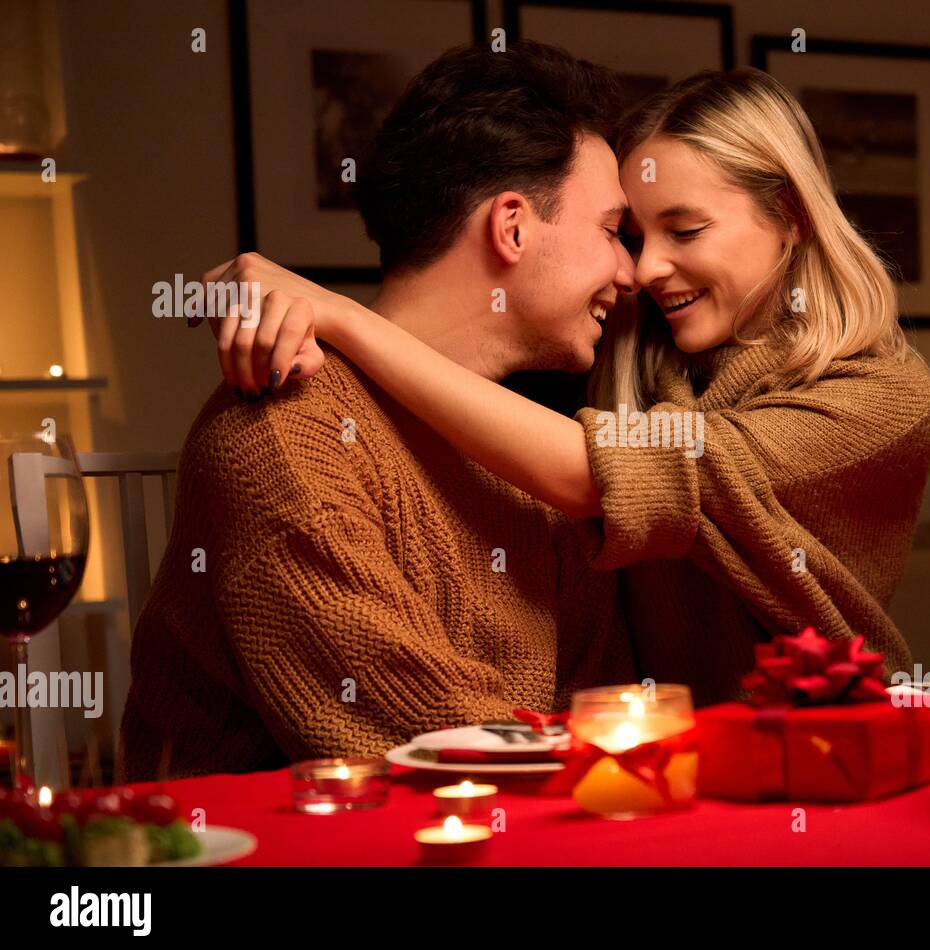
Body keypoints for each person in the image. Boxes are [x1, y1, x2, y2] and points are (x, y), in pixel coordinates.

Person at [212, 67, 930, 706]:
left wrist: (339, 314)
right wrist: (259, 306)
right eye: (623, 235)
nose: (642, 271)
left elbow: (598, 473)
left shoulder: (880, 396)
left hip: (825, 755)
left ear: (789, 216)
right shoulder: (607, 361)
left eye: (683, 232)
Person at [120, 41, 638, 781]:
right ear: (513, 226)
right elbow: (434, 751)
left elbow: (601, 718)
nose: (629, 272)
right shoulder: (284, 433)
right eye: (612, 231)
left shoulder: (532, 458)